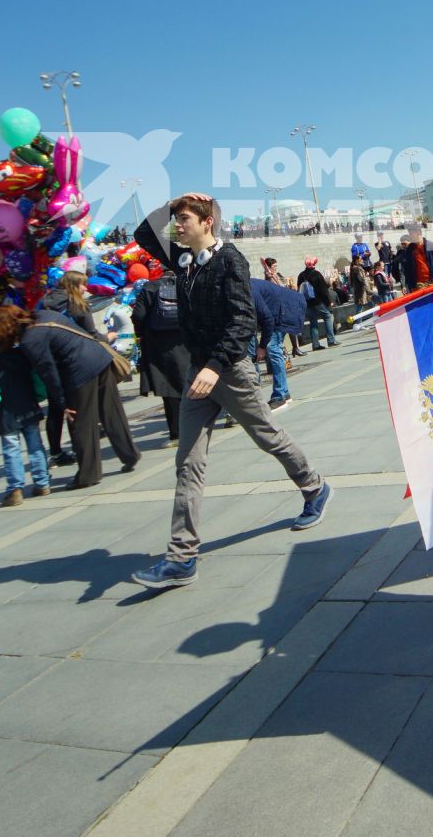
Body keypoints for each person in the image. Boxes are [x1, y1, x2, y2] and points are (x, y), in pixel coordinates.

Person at [128, 192, 331, 590]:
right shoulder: (182, 259)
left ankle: (315, 487)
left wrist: (214, 366)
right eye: (176, 220)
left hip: (229, 370)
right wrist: (172, 202)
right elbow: (143, 233)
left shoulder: (228, 260)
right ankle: (181, 557)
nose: (177, 226)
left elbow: (242, 321)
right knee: (188, 463)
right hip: (197, 375)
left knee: (267, 436)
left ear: (207, 222)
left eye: (184, 218)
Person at [18, 282, 138, 489]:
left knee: (82, 422)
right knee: (112, 411)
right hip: (99, 358)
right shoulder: (43, 316)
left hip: (78, 369)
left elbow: (49, 372)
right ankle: (130, 455)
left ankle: (89, 474)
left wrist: (62, 402)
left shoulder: (30, 338)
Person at [0, 306, 52, 506]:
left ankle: (15, 489)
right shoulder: (25, 357)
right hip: (29, 405)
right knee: (35, 445)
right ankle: (42, 483)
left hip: (7, 413)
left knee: (11, 449)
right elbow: (38, 381)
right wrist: (38, 396)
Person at [131, 269, 191, 444]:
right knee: (192, 382)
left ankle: (176, 433)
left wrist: (142, 333)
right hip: (185, 342)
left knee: (169, 388)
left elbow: (138, 315)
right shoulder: (186, 285)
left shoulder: (150, 287)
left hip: (158, 346)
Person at [249, 275, 305, 409]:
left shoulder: (246, 289)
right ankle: (284, 394)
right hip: (284, 308)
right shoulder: (247, 283)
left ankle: (279, 396)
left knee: (273, 350)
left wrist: (262, 346)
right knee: (276, 350)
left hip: (281, 312)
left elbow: (267, 319)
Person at [296, 257, 338, 350]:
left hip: (307, 302)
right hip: (318, 301)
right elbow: (323, 290)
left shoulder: (301, 275)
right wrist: (328, 302)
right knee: (327, 316)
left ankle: (315, 344)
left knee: (313, 321)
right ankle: (331, 340)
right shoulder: (317, 274)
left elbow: (299, 289)